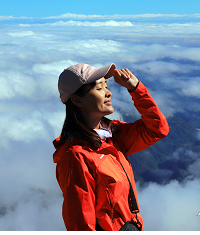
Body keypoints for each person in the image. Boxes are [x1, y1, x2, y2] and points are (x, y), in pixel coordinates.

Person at [53, 63, 168, 231]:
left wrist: (136, 88)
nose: (109, 92)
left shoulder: (113, 136)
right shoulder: (76, 156)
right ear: (77, 100)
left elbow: (157, 129)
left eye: (106, 86)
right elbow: (81, 224)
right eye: (99, 89)